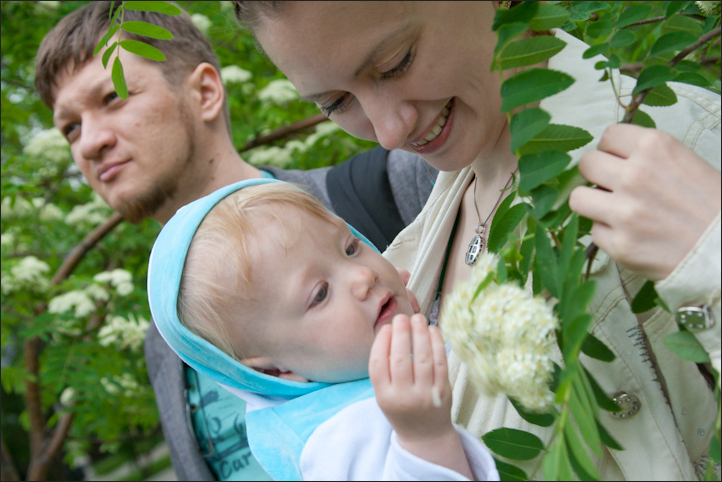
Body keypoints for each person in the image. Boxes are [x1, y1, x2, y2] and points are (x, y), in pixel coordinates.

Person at [231, 2, 721, 479]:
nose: (386, 130)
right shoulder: (441, 214)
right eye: (335, 103)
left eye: (394, 63)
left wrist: (709, 256)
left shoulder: (680, 151)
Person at [34, 2, 437, 480]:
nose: (88, 143)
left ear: (205, 92)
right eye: (70, 127)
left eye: (113, 97)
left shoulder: (394, 189)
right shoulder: (164, 346)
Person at [147, 178, 500, 481]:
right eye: (320, 294)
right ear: (277, 370)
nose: (363, 276)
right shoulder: (334, 436)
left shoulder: (346, 362)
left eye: (350, 248)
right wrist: (425, 437)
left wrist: (417, 320)